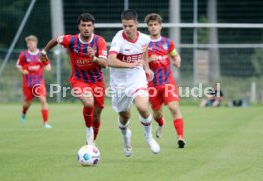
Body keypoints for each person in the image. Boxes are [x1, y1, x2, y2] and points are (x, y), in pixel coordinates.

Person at [40, 13, 107, 145]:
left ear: (93, 27)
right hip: (79, 80)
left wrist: (93, 58)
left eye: (89, 25)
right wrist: (44, 51)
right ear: (79, 27)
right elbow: (56, 39)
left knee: (97, 114)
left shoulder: (99, 41)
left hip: (97, 81)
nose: (86, 28)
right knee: (88, 103)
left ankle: (91, 143)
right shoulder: (71, 40)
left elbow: (104, 64)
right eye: (83, 25)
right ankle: (89, 131)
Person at [108, 9, 160, 157]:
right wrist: (129, 65)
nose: (127, 29)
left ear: (137, 24)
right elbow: (110, 61)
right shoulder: (118, 39)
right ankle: (126, 138)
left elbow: (144, 52)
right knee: (124, 117)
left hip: (137, 78)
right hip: (119, 83)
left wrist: (147, 67)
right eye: (124, 26)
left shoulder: (145, 38)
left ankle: (148, 137)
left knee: (142, 107)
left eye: (130, 26)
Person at [144, 13, 185, 148]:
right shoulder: (144, 44)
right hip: (152, 85)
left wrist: (177, 61)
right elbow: (138, 63)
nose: (153, 27)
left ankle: (180, 138)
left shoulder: (167, 43)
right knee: (156, 114)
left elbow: (175, 56)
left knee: (174, 107)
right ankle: (161, 123)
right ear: (148, 27)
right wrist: (149, 60)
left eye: (155, 24)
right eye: (150, 25)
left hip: (167, 83)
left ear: (160, 26)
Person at [16, 35, 52, 128]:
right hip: (27, 83)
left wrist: (47, 68)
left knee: (43, 100)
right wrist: (23, 71)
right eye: (27, 43)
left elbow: (48, 66)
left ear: (35, 43)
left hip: (39, 82)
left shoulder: (41, 54)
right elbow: (19, 66)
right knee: (28, 102)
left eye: (30, 43)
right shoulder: (23, 55)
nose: (29, 45)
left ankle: (46, 123)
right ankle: (23, 113)